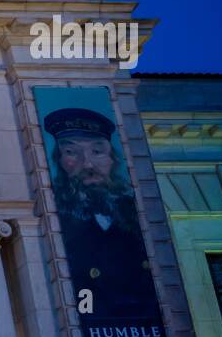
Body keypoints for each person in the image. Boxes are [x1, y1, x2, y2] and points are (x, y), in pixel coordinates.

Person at [44, 107, 152, 319]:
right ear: (59, 160)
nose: (88, 164)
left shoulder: (133, 212)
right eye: (71, 152)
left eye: (97, 151)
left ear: (113, 158)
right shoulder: (59, 218)